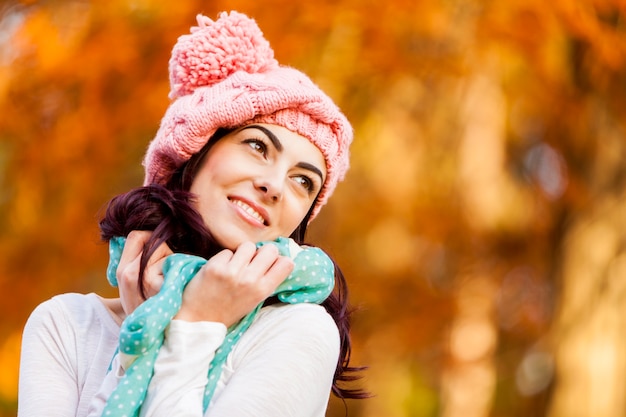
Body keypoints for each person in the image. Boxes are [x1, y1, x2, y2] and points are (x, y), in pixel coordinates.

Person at [17, 10, 366, 417]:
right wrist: (145, 325)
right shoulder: (66, 326)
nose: (273, 184)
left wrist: (193, 326)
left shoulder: (299, 330)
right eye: (257, 146)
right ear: (194, 154)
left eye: (303, 181)